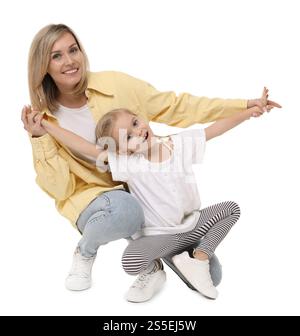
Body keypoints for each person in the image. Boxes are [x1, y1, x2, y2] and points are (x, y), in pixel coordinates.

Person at [21, 23, 281, 301]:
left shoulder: (165, 138)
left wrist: (244, 107)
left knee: (212, 274)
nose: (70, 61)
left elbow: (182, 109)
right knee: (124, 209)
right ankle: (88, 253)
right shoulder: (61, 128)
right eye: (56, 55)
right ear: (42, 66)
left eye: (73, 50)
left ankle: (171, 259)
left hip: (161, 213)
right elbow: (63, 182)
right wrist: (44, 131)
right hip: (105, 201)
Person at [39, 87, 273, 301]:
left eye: (135, 123)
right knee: (130, 262)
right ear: (121, 150)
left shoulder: (177, 144)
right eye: (128, 137)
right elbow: (84, 147)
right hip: (160, 237)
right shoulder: (128, 163)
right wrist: (46, 126)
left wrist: (250, 110)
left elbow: (214, 129)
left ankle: (199, 258)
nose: (138, 132)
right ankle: (168, 265)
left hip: (192, 226)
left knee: (231, 210)